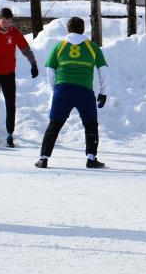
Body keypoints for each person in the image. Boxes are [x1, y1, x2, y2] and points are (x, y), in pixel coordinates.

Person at [35, 16, 108, 170]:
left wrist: (54, 89)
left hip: (63, 90)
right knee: (91, 125)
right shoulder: (92, 47)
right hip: (84, 92)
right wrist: (103, 92)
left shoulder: (59, 46)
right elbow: (103, 70)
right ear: (83, 30)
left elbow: (50, 69)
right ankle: (91, 158)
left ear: (67, 30)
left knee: (54, 125)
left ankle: (43, 158)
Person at [0, 7, 38, 148]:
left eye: (8, 22)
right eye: (3, 21)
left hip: (8, 73)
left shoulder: (15, 33)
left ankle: (10, 133)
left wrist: (33, 64)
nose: (6, 24)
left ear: (11, 21)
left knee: (10, 103)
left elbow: (25, 49)